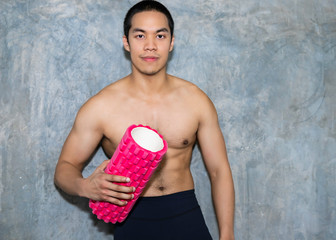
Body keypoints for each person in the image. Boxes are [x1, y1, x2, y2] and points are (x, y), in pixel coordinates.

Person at [54, 1, 235, 239]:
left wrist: (227, 234)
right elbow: (64, 169)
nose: (150, 46)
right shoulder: (100, 106)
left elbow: (219, 171)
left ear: (171, 42)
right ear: (126, 42)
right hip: (132, 222)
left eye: (160, 35)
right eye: (140, 35)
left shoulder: (196, 100)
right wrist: (84, 186)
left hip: (186, 216)